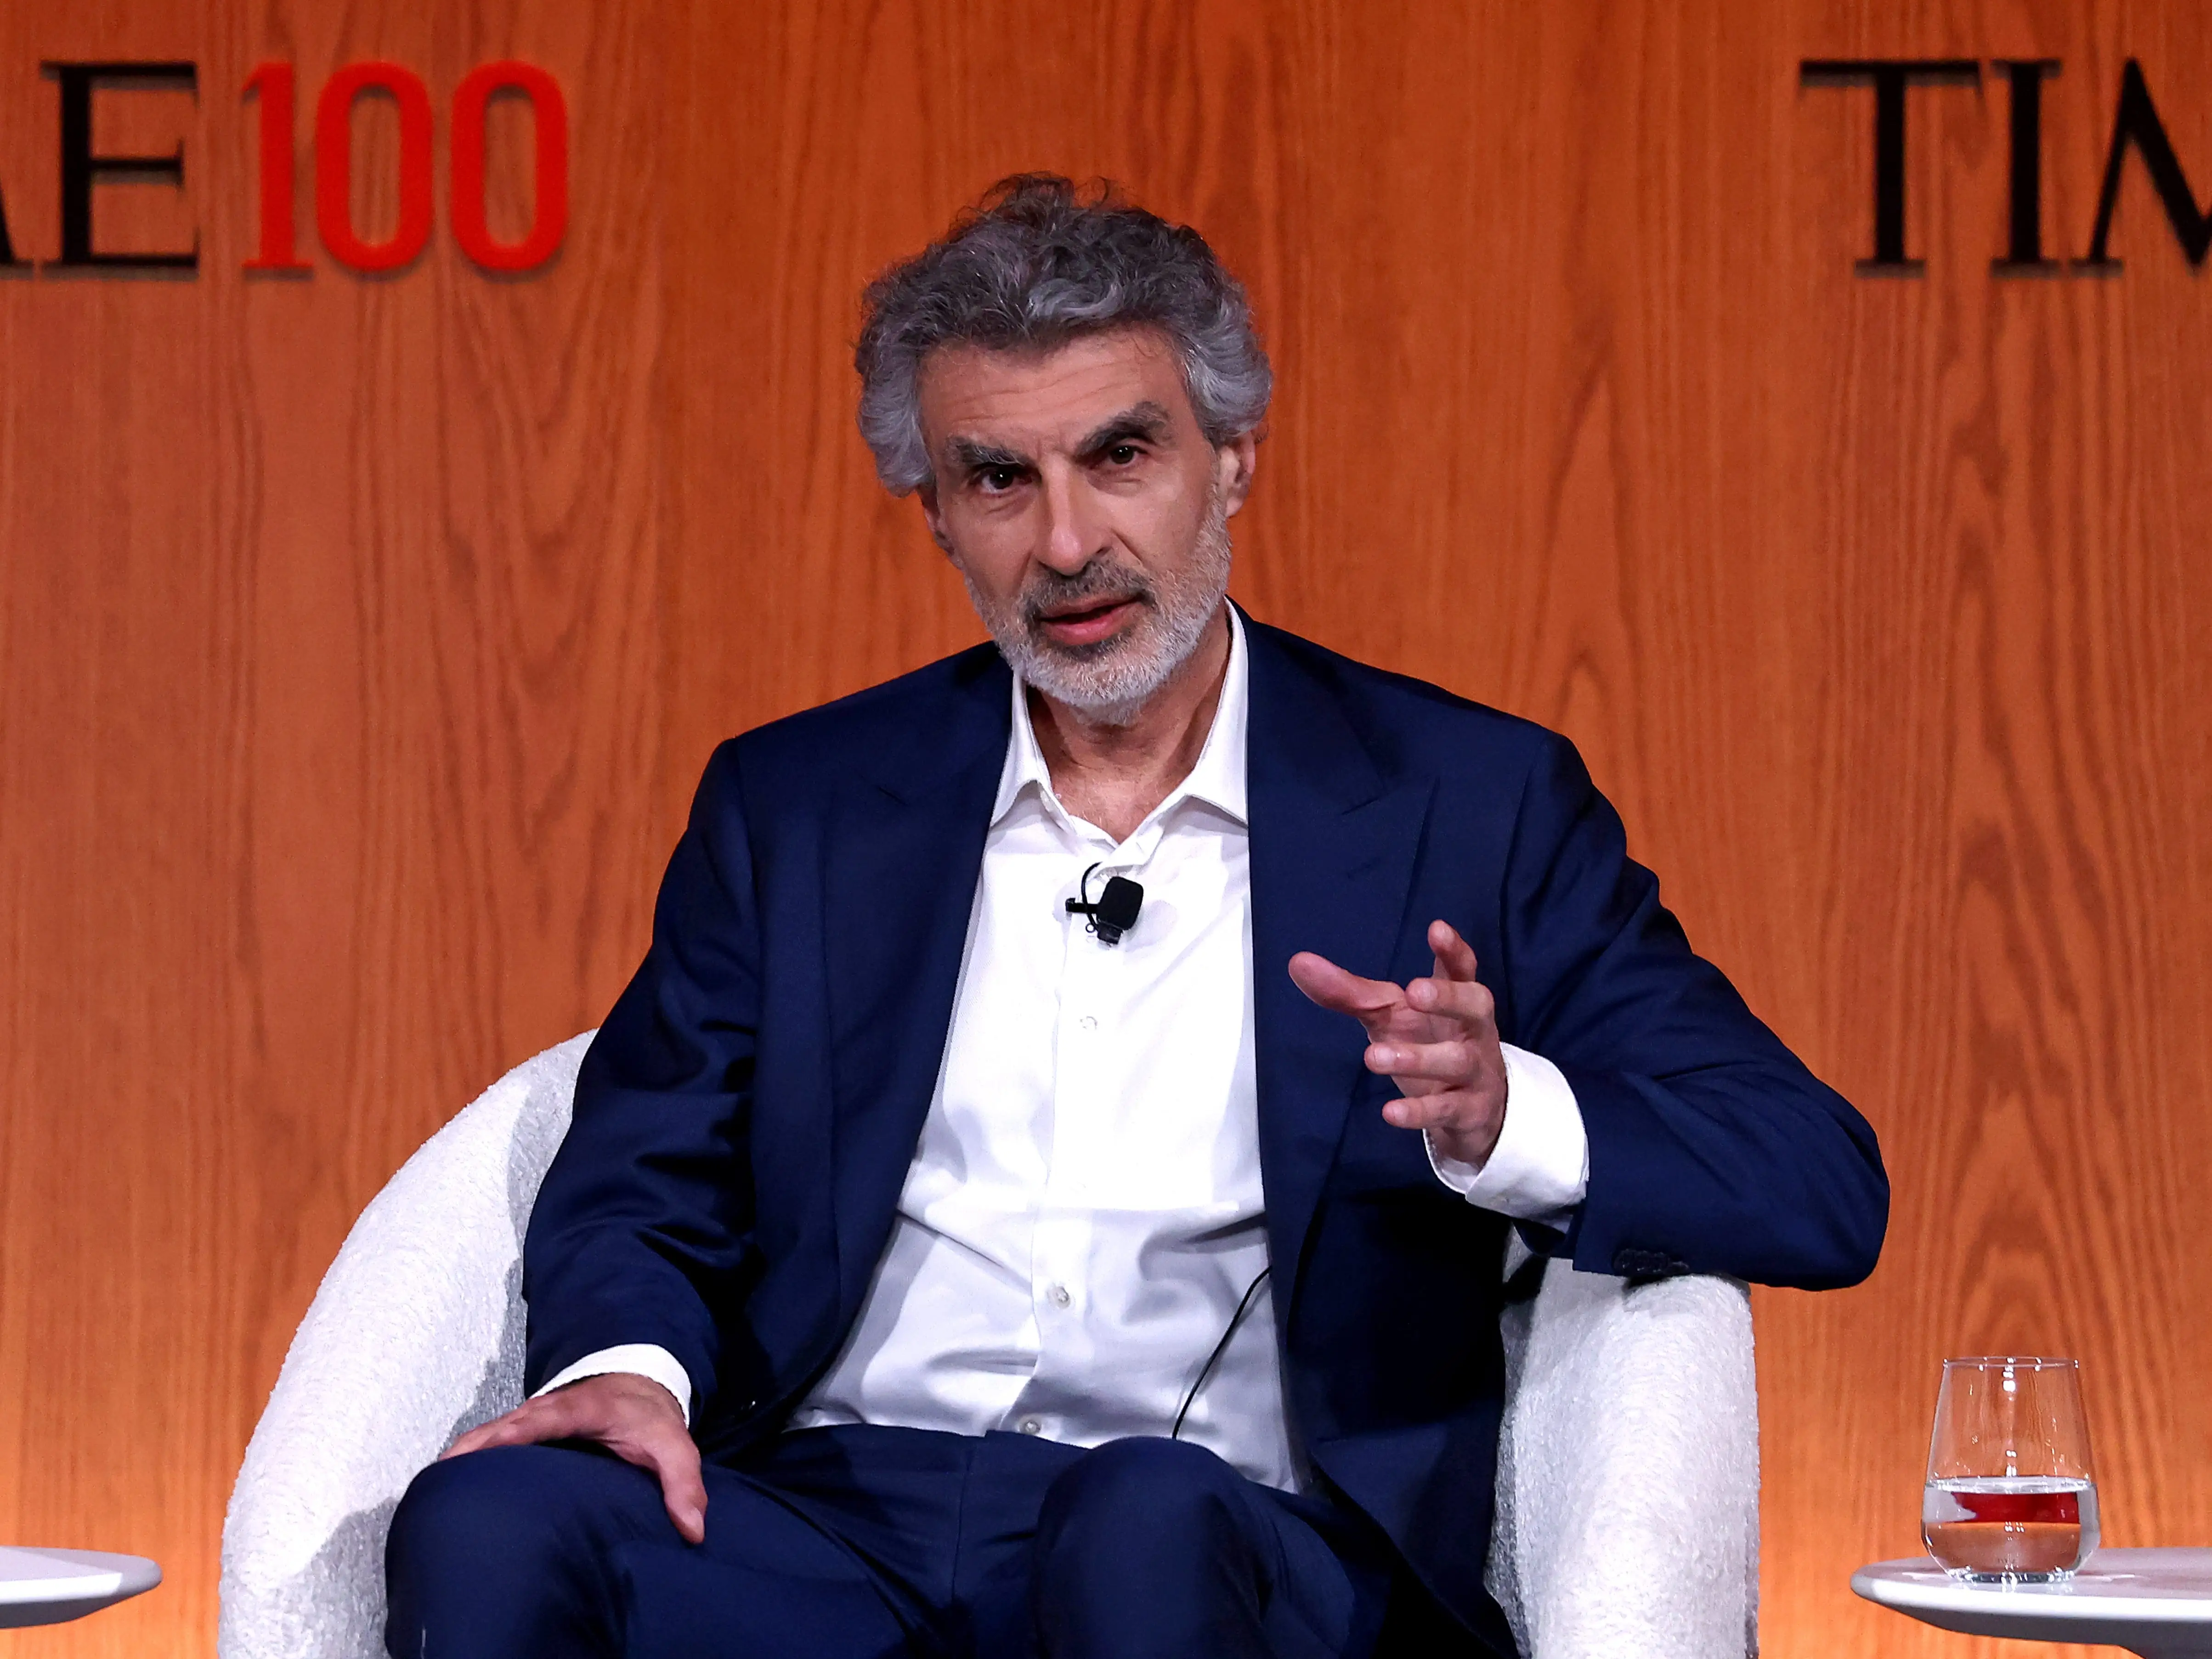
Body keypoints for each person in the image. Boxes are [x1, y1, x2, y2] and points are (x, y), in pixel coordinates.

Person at [384, 174, 1887, 1659]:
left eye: (1119, 456)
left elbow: (1817, 1177)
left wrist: (1504, 1122)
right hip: (843, 1516)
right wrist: (632, 1366)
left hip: (1235, 1534)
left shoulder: (1465, 800)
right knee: (487, 1520)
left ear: (1231, 458)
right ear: (933, 515)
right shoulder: (800, 805)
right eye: (996, 479)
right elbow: (645, 1163)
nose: (1062, 544)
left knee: (1139, 1521)